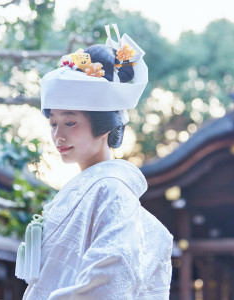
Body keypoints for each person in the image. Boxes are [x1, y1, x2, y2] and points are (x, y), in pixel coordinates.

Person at [15, 24, 173, 300]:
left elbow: (109, 280)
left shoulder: (111, 190)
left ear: (103, 127)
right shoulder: (93, 189)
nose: (57, 135)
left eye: (70, 122)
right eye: (53, 123)